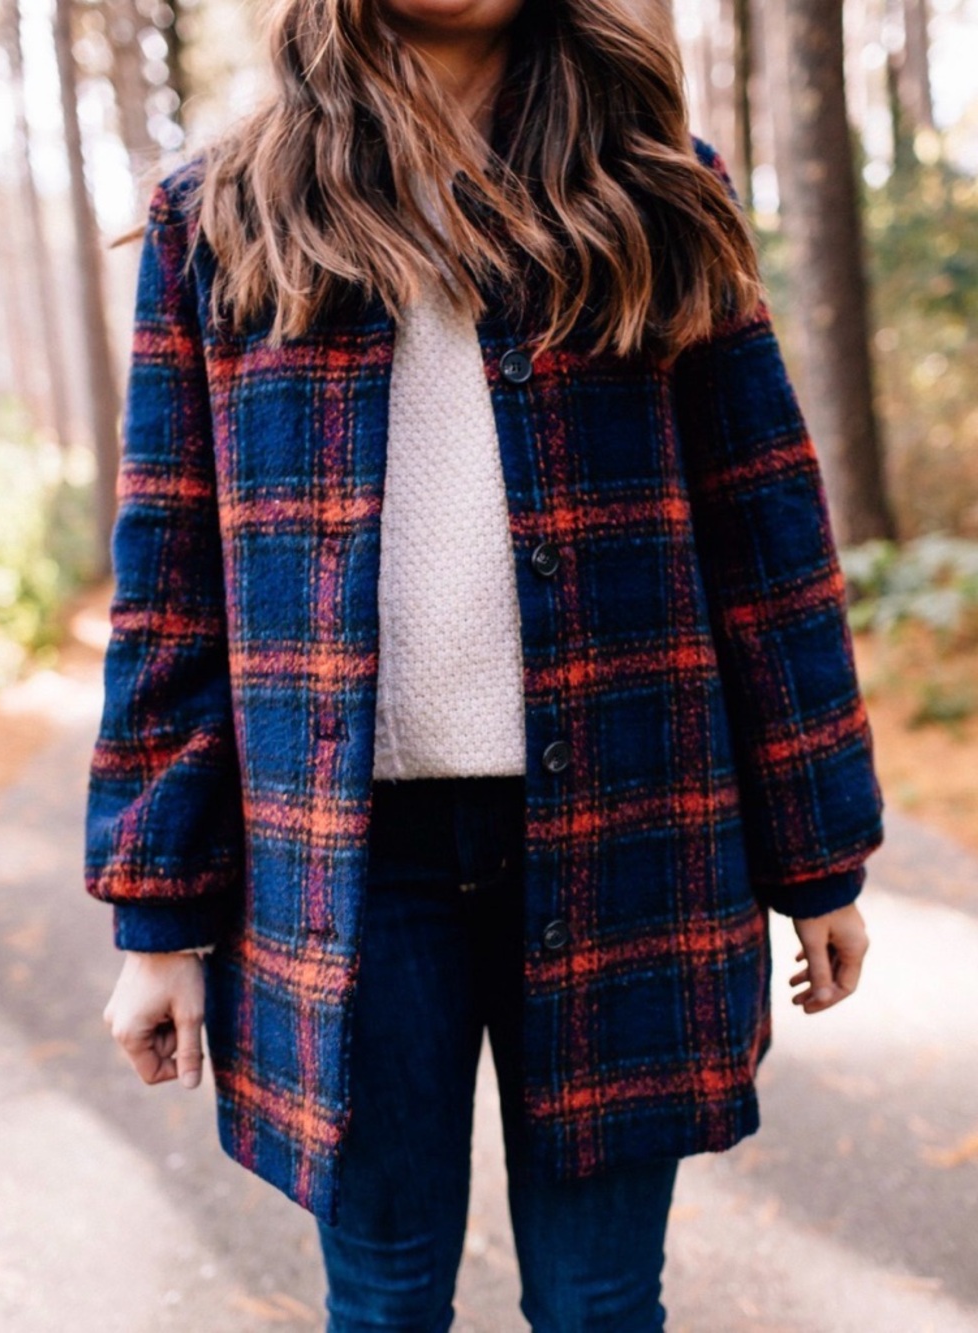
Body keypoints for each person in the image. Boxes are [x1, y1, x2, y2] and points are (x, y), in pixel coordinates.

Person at [86, 0, 885, 1328]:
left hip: (628, 841)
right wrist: (157, 915)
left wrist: (819, 862)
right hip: (347, 871)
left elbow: (766, 529)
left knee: (600, 1303)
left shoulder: (656, 186)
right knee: (385, 1301)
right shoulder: (220, 212)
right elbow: (171, 584)